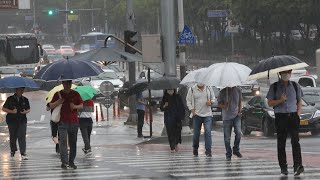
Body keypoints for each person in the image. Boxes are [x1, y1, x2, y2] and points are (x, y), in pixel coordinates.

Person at [266, 69, 304, 176]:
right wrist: (280, 100)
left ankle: (298, 165)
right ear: (280, 73)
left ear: (291, 73)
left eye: (288, 72)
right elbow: (269, 103)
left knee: (295, 141)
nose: (286, 74)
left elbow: (299, 100)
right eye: (284, 72)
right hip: (280, 116)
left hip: (293, 116)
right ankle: (283, 167)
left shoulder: (295, 86)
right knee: (281, 143)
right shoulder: (274, 87)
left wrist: (298, 113)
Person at [50, 80, 83, 170]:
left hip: (74, 122)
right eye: (65, 83)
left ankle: (71, 161)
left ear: (71, 84)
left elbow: (81, 105)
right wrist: (58, 102)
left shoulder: (75, 94)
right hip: (62, 122)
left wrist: (75, 107)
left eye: (69, 83)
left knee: (73, 143)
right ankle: (64, 162)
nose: (67, 85)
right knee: (63, 143)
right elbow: (50, 106)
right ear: (63, 84)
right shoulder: (58, 94)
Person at [186, 83, 215, 157]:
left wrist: (210, 102)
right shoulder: (192, 89)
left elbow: (213, 98)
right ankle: (195, 148)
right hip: (197, 115)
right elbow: (188, 101)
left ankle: (208, 151)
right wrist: (192, 111)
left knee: (208, 132)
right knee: (196, 134)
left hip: (207, 114)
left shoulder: (209, 87)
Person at [2, 87, 30, 160]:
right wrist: (12, 111)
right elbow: (3, 108)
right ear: (16, 90)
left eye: (23, 90)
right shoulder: (10, 99)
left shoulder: (25, 99)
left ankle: (23, 153)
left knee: (22, 136)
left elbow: (28, 109)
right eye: (20, 90)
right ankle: (13, 150)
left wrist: (25, 112)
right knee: (13, 136)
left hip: (22, 120)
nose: (22, 91)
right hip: (12, 120)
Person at [218, 86, 242, 161]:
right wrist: (224, 106)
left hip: (236, 116)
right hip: (227, 117)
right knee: (227, 138)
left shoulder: (238, 90)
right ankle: (228, 153)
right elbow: (219, 104)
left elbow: (240, 101)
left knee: (238, 133)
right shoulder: (223, 92)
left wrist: (240, 110)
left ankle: (236, 149)